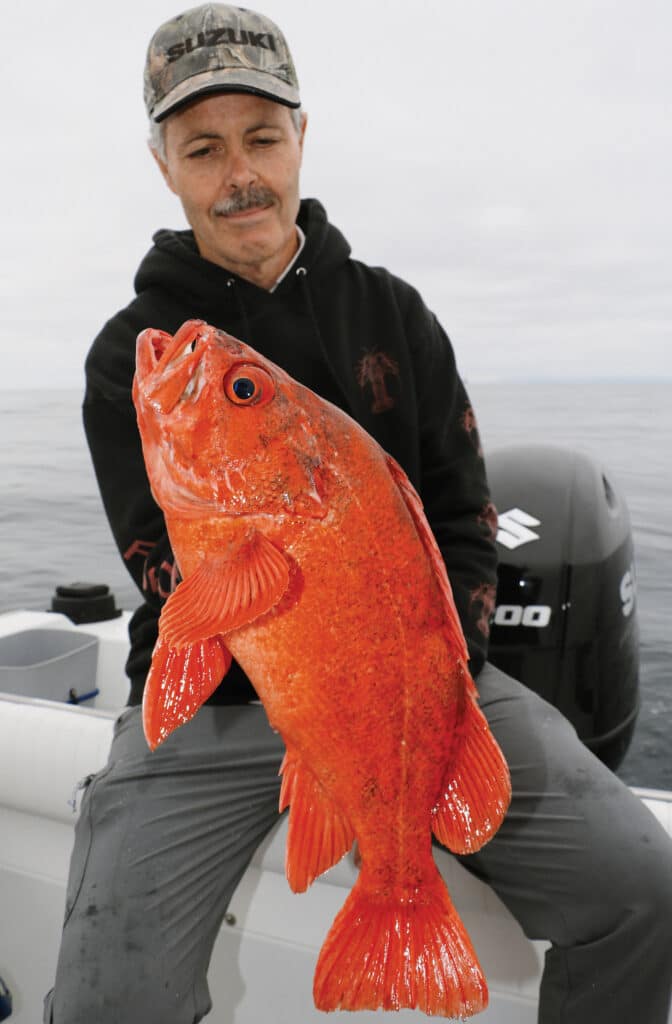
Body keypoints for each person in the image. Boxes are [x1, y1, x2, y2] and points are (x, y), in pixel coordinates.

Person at [45, 5, 672, 1022]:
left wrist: (430, 690)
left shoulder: (395, 313)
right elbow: (160, 564)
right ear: (165, 164)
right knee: (106, 998)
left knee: (643, 885)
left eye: (262, 136)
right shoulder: (136, 355)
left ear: (301, 138)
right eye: (203, 147)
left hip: (419, 680)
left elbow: (465, 514)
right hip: (217, 703)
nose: (238, 171)